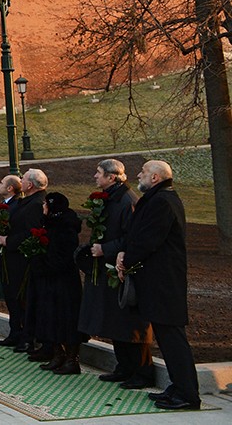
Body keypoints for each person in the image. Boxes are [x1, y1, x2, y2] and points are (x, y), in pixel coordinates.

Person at [118, 160, 200, 411]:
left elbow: (148, 239)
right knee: (167, 337)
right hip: (160, 281)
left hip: (165, 282)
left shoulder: (162, 201)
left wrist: (126, 259)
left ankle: (188, 393)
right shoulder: (160, 198)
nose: (138, 175)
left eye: (143, 172)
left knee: (172, 338)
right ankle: (178, 386)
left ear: (155, 178)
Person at [76, 159, 153, 388]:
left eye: (99, 173)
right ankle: (124, 366)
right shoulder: (109, 200)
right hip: (108, 267)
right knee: (114, 320)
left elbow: (132, 237)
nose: (95, 177)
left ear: (112, 177)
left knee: (128, 321)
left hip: (123, 269)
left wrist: (106, 249)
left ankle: (141, 371)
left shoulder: (127, 201)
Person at [26, 192, 85, 374]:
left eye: (46, 204)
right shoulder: (49, 223)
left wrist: (45, 264)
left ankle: (72, 359)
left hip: (63, 281)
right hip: (49, 280)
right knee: (50, 317)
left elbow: (64, 255)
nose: (43, 207)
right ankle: (57, 354)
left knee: (66, 319)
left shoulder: (66, 226)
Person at [0, 168, 46, 352]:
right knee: (14, 297)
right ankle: (16, 334)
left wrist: (8, 241)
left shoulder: (35, 204)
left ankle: (27, 337)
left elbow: (31, 232)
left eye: (23, 178)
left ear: (30, 184)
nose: (20, 180)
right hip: (14, 259)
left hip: (23, 261)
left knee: (23, 298)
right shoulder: (28, 201)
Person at [0, 174, 22, 346]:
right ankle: (14, 332)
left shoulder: (16, 207)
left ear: (10, 188)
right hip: (2, 257)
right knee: (9, 298)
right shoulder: (4, 207)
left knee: (15, 298)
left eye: (1, 183)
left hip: (12, 259)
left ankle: (19, 333)